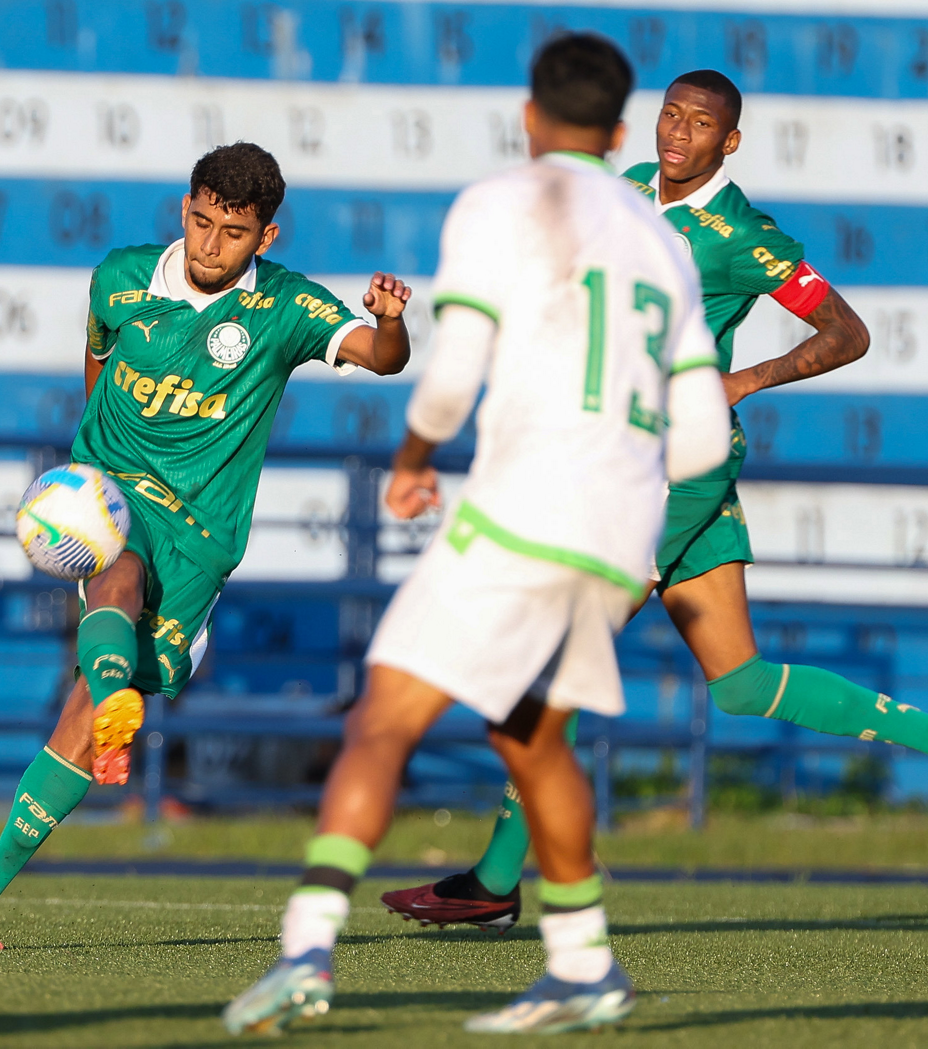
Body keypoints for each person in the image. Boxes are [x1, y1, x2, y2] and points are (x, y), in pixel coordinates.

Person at [380, 68, 928, 936]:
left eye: (701, 123)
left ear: (730, 141)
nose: (679, 133)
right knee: (742, 683)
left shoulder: (741, 233)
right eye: (671, 115)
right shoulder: (634, 187)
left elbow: (848, 332)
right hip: (638, 456)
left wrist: (742, 380)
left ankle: (494, 880)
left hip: (674, 467)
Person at [223, 34, 732, 1035]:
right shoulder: (664, 241)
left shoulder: (502, 202)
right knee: (533, 740)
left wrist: (413, 457)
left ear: (529, 118)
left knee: (382, 718)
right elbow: (705, 436)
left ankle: (305, 948)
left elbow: (451, 377)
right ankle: (582, 964)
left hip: (522, 511)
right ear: (621, 132)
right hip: (615, 534)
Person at [0, 142, 413, 951]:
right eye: (200, 221)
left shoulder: (285, 308)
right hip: (115, 488)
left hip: (202, 539)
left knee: (99, 707)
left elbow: (382, 358)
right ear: (184, 208)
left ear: (265, 236)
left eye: (233, 232)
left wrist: (391, 321)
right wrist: (89, 474)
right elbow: (97, 359)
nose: (209, 245)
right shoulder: (120, 278)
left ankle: (102, 710)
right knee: (116, 569)